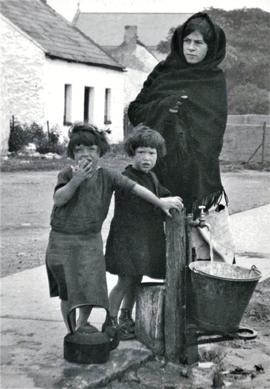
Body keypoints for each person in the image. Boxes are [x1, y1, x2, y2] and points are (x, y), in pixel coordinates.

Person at [45, 122, 182, 334]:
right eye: (79, 149)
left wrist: (161, 202)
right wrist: (77, 180)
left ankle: (83, 325)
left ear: (100, 152)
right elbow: (59, 199)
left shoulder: (108, 176)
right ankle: (73, 333)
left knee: (91, 288)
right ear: (72, 153)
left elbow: (136, 188)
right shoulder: (67, 173)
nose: (85, 154)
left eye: (91, 149)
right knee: (68, 291)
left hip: (91, 239)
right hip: (63, 240)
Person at [128, 12, 235, 264]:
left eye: (199, 43)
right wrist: (166, 107)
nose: (191, 48)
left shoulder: (213, 80)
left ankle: (203, 291)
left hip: (198, 174)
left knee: (202, 243)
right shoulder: (164, 72)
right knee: (165, 245)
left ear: (211, 47)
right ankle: (169, 295)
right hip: (162, 169)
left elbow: (214, 125)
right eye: (187, 41)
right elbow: (136, 110)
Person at [105, 125, 177, 340]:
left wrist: (174, 199)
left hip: (143, 240)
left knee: (136, 279)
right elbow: (143, 204)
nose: (146, 158)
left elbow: (161, 193)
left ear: (158, 155)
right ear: (132, 153)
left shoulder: (151, 177)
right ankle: (110, 320)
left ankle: (126, 317)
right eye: (141, 152)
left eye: (151, 153)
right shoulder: (127, 177)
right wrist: (161, 202)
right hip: (127, 239)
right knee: (125, 280)